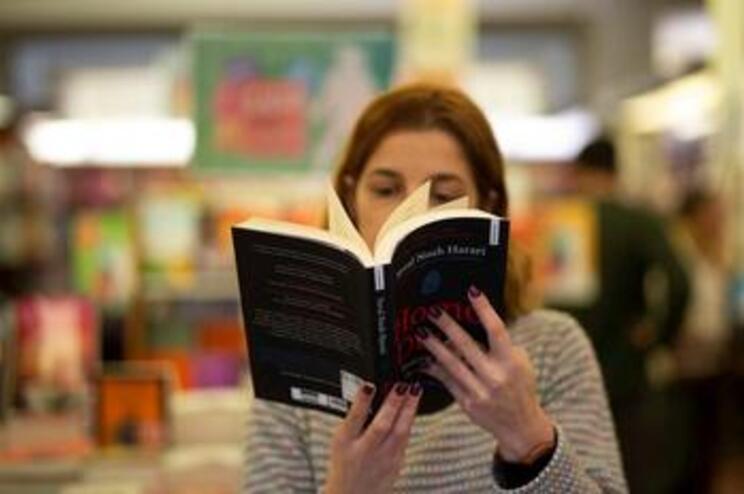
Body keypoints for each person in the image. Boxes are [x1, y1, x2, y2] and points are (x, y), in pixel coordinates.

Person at [244, 84, 626, 493]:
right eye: (385, 190)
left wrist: (529, 439)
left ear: (487, 205)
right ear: (350, 198)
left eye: (443, 195)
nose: (410, 216)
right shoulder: (296, 366)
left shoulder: (552, 347)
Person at [563, 137, 690, 493]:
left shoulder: (565, 222)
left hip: (571, 370)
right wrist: (658, 336)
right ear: (616, 171)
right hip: (627, 368)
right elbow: (679, 281)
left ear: (581, 172)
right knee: (634, 470)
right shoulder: (638, 222)